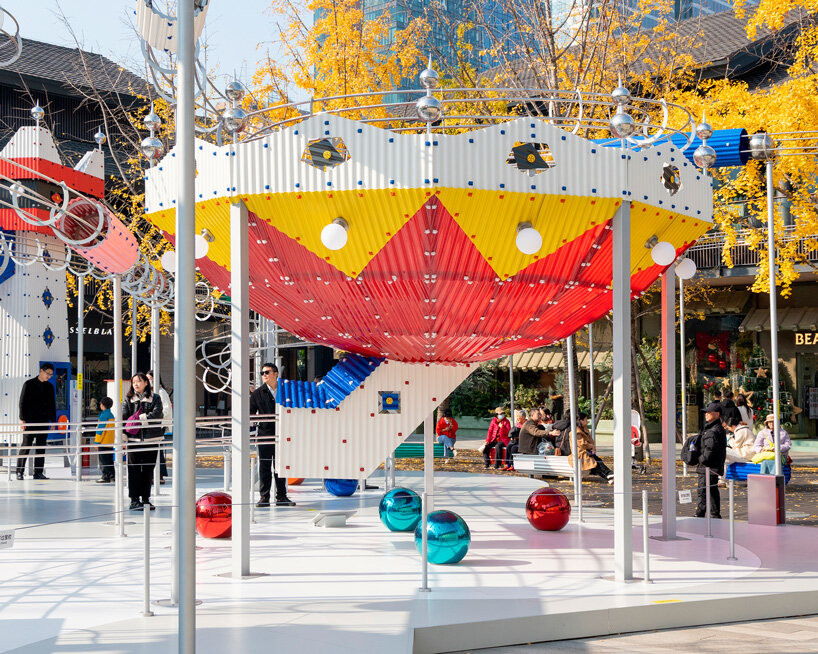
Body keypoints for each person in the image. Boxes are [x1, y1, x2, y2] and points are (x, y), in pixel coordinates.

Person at [250, 363, 295, 507]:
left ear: (276, 374)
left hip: (283, 434)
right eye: (262, 373)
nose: (264, 375)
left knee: (281, 466)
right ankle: (264, 497)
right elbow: (250, 413)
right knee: (264, 466)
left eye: (267, 372)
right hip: (265, 434)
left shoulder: (286, 391)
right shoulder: (257, 393)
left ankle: (281, 496)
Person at [122, 373, 164, 511]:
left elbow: (158, 414)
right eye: (134, 382)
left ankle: (146, 499)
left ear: (146, 382)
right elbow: (124, 418)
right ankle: (134, 500)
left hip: (151, 439)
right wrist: (123, 435)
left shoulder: (155, 398)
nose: (136, 384)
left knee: (148, 470)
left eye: (139, 381)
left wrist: (140, 419)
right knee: (133, 470)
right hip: (133, 440)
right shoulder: (128, 399)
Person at [16, 362, 57, 480]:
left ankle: (38, 472)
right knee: (26, 446)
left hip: (43, 421)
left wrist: (53, 421)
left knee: (41, 447)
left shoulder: (50, 387)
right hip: (30, 421)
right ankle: (19, 471)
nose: (49, 376)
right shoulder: (29, 384)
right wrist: (22, 419)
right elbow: (22, 402)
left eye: (51, 374)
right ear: (41, 371)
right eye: (47, 373)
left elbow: (52, 405)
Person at [695, 402, 727, 519]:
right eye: (706, 412)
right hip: (713, 466)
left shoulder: (714, 429)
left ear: (717, 414)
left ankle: (700, 513)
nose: (706, 415)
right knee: (712, 490)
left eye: (709, 412)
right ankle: (715, 513)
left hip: (708, 466)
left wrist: (701, 459)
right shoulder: (715, 428)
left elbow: (710, 449)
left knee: (703, 490)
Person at [575, 412, 614, 484]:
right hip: (581, 454)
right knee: (596, 462)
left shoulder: (584, 429)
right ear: (581, 421)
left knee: (597, 462)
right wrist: (591, 446)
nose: (587, 422)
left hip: (587, 452)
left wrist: (593, 447)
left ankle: (609, 476)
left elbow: (591, 441)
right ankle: (609, 474)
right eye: (586, 420)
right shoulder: (575, 432)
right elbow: (582, 444)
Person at [147, 371, 170, 484]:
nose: (148, 381)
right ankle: (153, 474)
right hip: (150, 425)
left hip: (158, 425)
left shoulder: (161, 392)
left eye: (150, 379)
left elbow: (166, 409)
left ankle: (159, 474)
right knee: (152, 450)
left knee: (157, 450)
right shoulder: (149, 392)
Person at [94, 397, 116, 483]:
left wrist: (97, 442)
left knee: (103, 461)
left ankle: (105, 476)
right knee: (109, 460)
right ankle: (112, 475)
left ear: (102, 405)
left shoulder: (103, 416)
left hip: (103, 442)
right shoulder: (111, 415)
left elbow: (100, 430)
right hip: (110, 442)